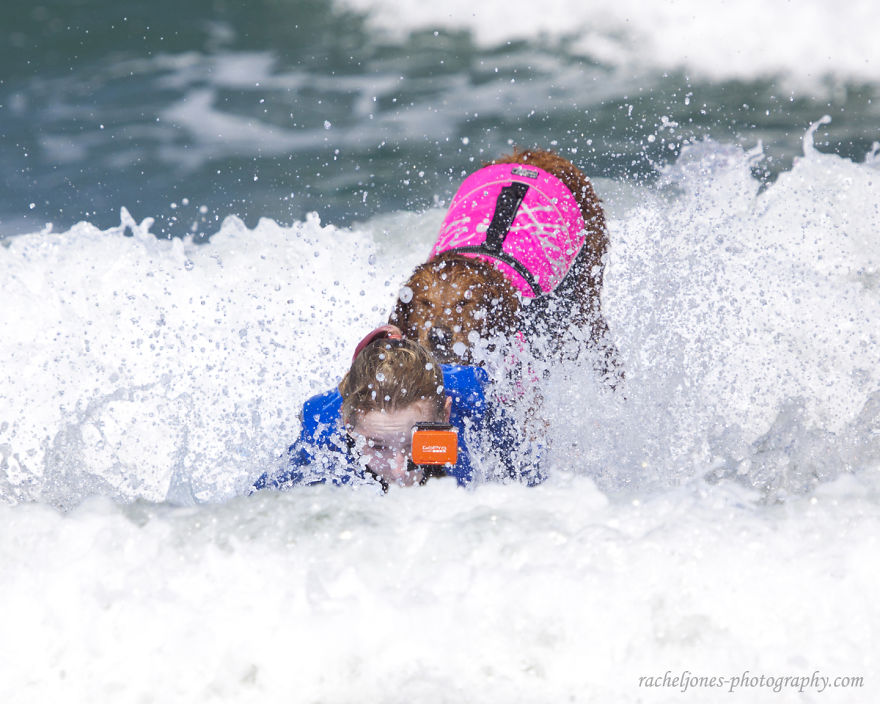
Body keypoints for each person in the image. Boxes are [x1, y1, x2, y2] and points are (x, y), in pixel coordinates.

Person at [251, 325, 540, 493]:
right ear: (348, 426)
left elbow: (536, 480)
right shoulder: (324, 439)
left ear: (444, 416)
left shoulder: (474, 410)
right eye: (377, 447)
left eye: (417, 442)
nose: (400, 470)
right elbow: (258, 510)